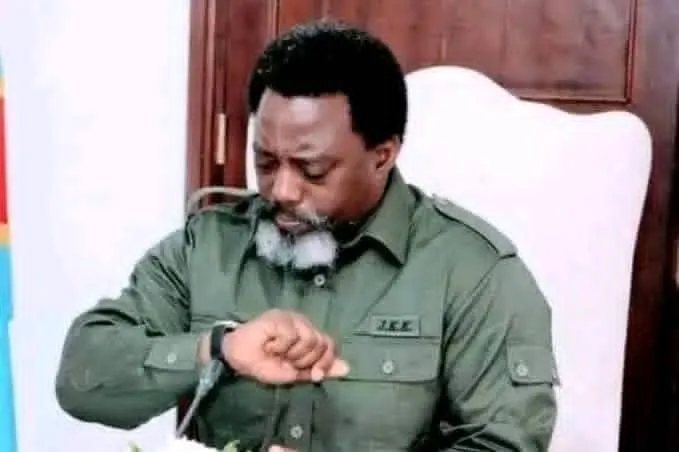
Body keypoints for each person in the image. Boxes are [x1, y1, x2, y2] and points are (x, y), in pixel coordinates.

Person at [55, 20, 558, 452]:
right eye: (265, 162)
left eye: (312, 170)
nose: (282, 190)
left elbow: (505, 445)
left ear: (383, 155)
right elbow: (82, 379)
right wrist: (217, 348)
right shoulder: (206, 247)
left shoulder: (473, 272)